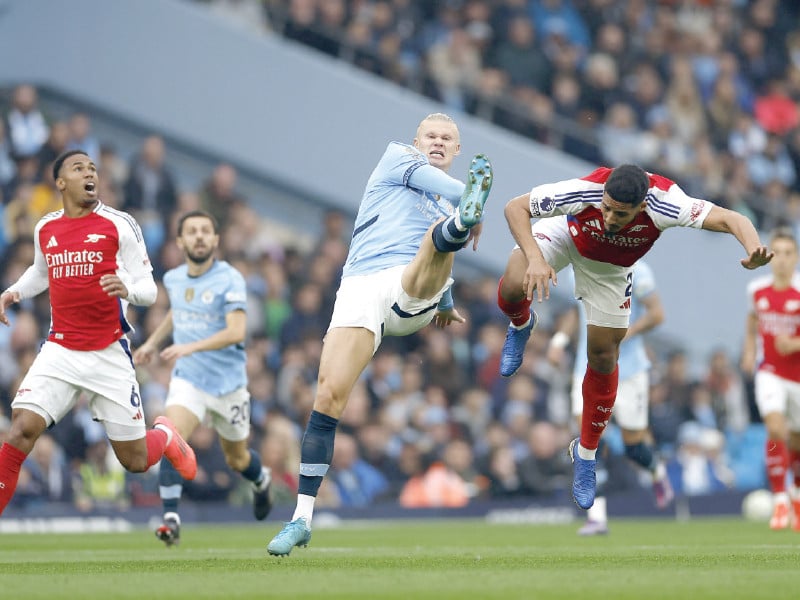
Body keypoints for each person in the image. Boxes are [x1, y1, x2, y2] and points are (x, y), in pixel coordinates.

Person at [267, 112, 492, 556]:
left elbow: (441, 236)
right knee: (329, 396)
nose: (439, 142)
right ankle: (301, 519)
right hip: (360, 286)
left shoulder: (448, 203)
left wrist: (444, 300)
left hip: (407, 288)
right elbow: (451, 189)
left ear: (458, 150)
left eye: (448, 138)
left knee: (436, 237)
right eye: (432, 135)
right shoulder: (398, 157)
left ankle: (458, 230)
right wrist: (471, 200)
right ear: (416, 140)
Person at [496, 163, 773, 511]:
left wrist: (753, 247)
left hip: (609, 272)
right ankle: (521, 324)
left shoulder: (668, 204)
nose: (610, 217)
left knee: (602, 356)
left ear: (642, 206)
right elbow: (514, 207)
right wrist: (535, 258)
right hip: (566, 236)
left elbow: (733, 218)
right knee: (512, 282)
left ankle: (585, 454)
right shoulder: (587, 190)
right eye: (607, 208)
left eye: (620, 213)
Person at [0, 149, 196, 517]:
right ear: (60, 182)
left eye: (92, 168)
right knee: (21, 430)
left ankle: (165, 436)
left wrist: (128, 290)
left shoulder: (119, 224)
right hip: (61, 348)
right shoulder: (47, 227)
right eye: (78, 168)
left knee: (136, 460)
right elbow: (41, 272)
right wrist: (13, 292)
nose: (89, 173)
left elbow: (149, 288)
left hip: (108, 352)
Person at [133, 210, 272, 546]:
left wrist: (188, 345)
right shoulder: (175, 278)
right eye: (191, 231)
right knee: (169, 434)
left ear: (215, 240)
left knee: (237, 459)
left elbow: (236, 330)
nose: (198, 236)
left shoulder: (230, 279)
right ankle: (170, 518)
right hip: (189, 380)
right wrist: (152, 343)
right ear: (180, 241)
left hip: (228, 385)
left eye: (205, 231)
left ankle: (261, 481)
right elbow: (177, 312)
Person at [547, 260, 673, 535]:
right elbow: (575, 307)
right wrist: (559, 340)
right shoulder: (580, 265)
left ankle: (656, 472)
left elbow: (657, 314)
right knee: (589, 439)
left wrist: (623, 335)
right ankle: (597, 517)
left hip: (629, 371)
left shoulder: (638, 270)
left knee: (634, 448)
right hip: (587, 367)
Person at [740, 226, 800, 531]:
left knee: (796, 440)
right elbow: (752, 320)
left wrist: (795, 344)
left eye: (789, 254)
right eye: (777, 253)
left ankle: (797, 497)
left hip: (797, 376)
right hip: (770, 372)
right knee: (775, 427)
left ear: (796, 257)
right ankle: (780, 502)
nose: (782, 260)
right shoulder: (757, 290)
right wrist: (749, 351)